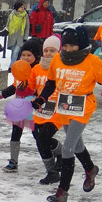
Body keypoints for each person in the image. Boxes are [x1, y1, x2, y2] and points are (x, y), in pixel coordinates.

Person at [31, 26, 102, 202]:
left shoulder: (91, 61)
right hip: (64, 106)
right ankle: (90, 169)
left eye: (72, 46)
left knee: (68, 148)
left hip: (83, 107)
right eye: (65, 46)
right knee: (77, 146)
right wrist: (41, 99)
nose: (68, 49)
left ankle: (62, 192)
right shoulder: (58, 59)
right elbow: (51, 83)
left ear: (81, 45)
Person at [0, 39, 42, 172]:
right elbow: (15, 86)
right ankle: (13, 161)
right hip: (19, 108)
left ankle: (52, 155)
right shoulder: (20, 70)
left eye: (29, 55)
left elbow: (42, 89)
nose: (25, 58)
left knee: (38, 135)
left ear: (37, 56)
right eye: (23, 55)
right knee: (15, 133)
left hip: (33, 109)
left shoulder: (37, 71)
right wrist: (2, 95)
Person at [30, 35, 64, 184]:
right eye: (46, 50)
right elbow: (31, 86)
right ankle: (57, 160)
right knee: (39, 140)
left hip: (56, 112)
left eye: (52, 50)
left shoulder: (62, 69)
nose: (49, 53)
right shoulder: (37, 68)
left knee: (43, 138)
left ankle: (54, 168)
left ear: (59, 52)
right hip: (40, 111)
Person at [6, 0, 29, 66]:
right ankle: (14, 65)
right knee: (13, 52)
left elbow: (27, 27)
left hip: (21, 37)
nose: (23, 8)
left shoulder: (25, 15)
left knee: (16, 52)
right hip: (12, 36)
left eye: (23, 7)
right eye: (21, 7)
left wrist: (25, 37)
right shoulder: (12, 14)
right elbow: (8, 24)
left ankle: (11, 66)